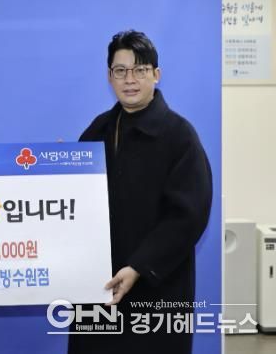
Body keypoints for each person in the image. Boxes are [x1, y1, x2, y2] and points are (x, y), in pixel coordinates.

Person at [67, 30, 212, 354]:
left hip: (156, 288)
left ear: (156, 75)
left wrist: (139, 267)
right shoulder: (98, 129)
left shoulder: (180, 136)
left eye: (140, 70)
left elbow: (188, 216)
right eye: (120, 71)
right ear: (109, 77)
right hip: (99, 285)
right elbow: (77, 204)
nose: (129, 79)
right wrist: (60, 172)